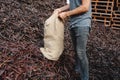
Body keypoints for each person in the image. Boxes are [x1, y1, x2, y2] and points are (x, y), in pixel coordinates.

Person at [54, 0, 91, 80]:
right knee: (76, 50)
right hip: (73, 24)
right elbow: (71, 4)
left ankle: (85, 77)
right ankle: (77, 69)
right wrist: (60, 9)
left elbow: (85, 7)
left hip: (82, 24)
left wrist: (67, 14)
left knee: (81, 51)